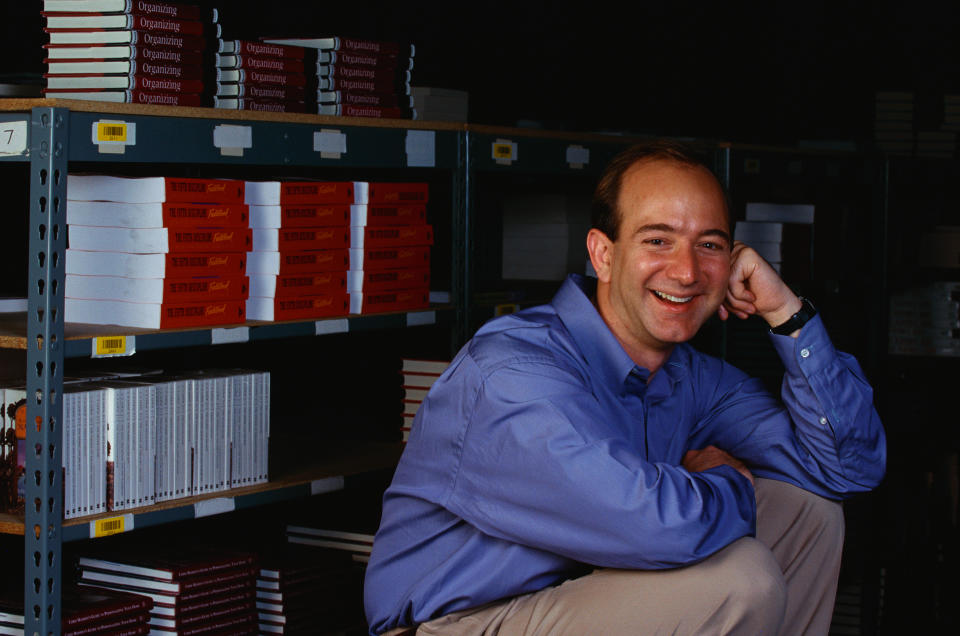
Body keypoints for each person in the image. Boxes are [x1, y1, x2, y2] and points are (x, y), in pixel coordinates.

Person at [363, 140, 886, 635]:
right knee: (739, 581)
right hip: (460, 623)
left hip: (583, 595)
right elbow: (655, 526)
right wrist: (732, 485)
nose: (685, 271)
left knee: (809, 512)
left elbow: (844, 471)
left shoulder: (692, 377)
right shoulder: (512, 372)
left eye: (709, 245)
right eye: (658, 240)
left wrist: (786, 314)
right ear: (603, 254)